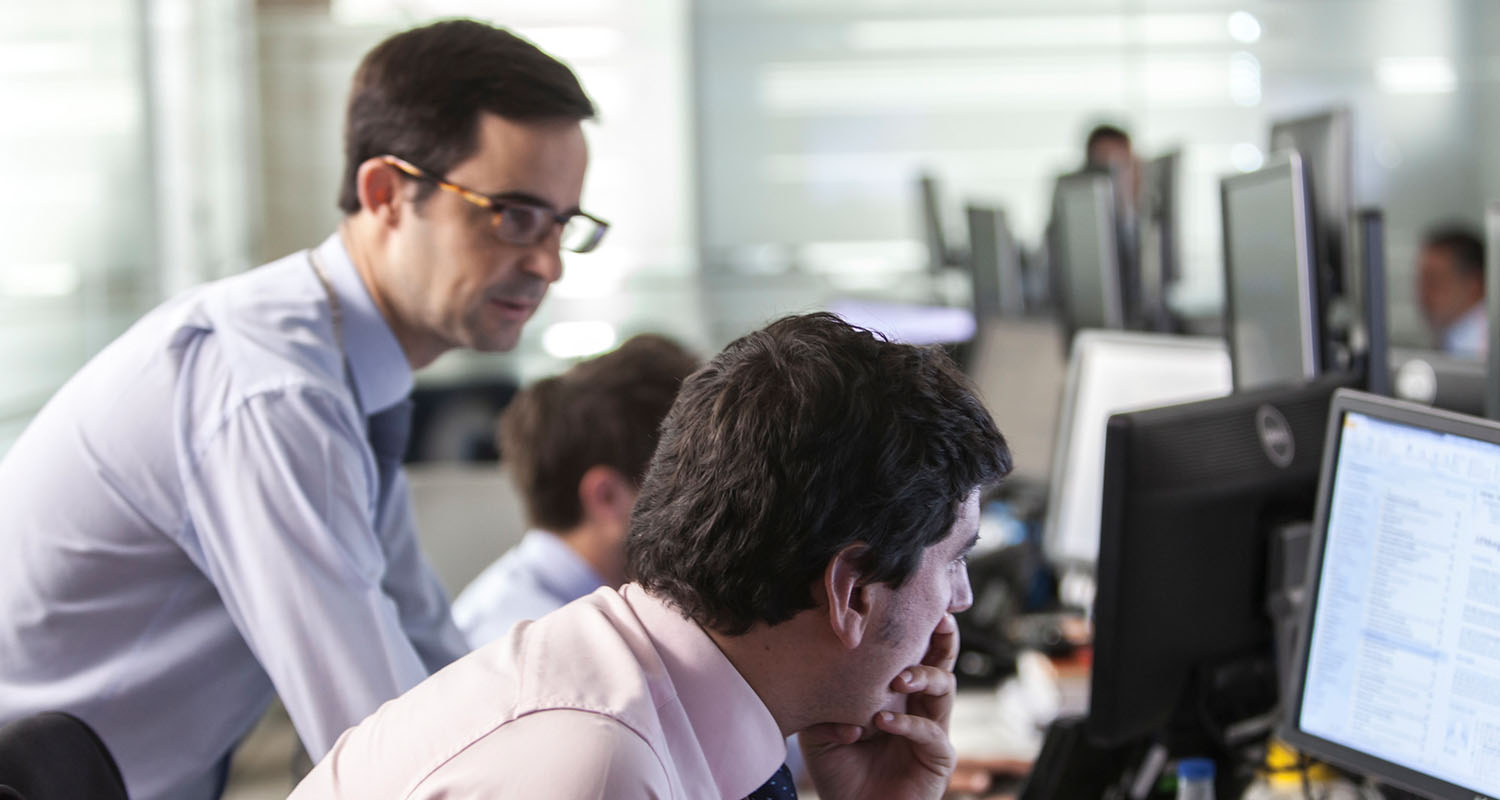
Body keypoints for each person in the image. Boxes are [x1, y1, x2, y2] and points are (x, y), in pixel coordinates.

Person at [0, 20, 606, 800]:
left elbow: (430, 665)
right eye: (513, 215)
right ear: (385, 193)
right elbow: (382, 747)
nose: (548, 263)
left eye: (562, 223)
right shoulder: (274, 392)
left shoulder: (349, 380)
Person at [289, 312, 1012, 799]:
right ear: (850, 591)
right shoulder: (599, 767)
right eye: (953, 560)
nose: (961, 602)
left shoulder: (641, 685)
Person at [451, 334, 700, 647]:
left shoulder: (604, 614)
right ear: (606, 497)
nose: (707, 498)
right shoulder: (530, 643)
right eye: (690, 477)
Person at [1415, 225, 1487, 357]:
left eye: (1434, 281)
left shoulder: (1479, 351)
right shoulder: (1448, 341)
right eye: (1420, 282)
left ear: (1474, 284)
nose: (1423, 294)